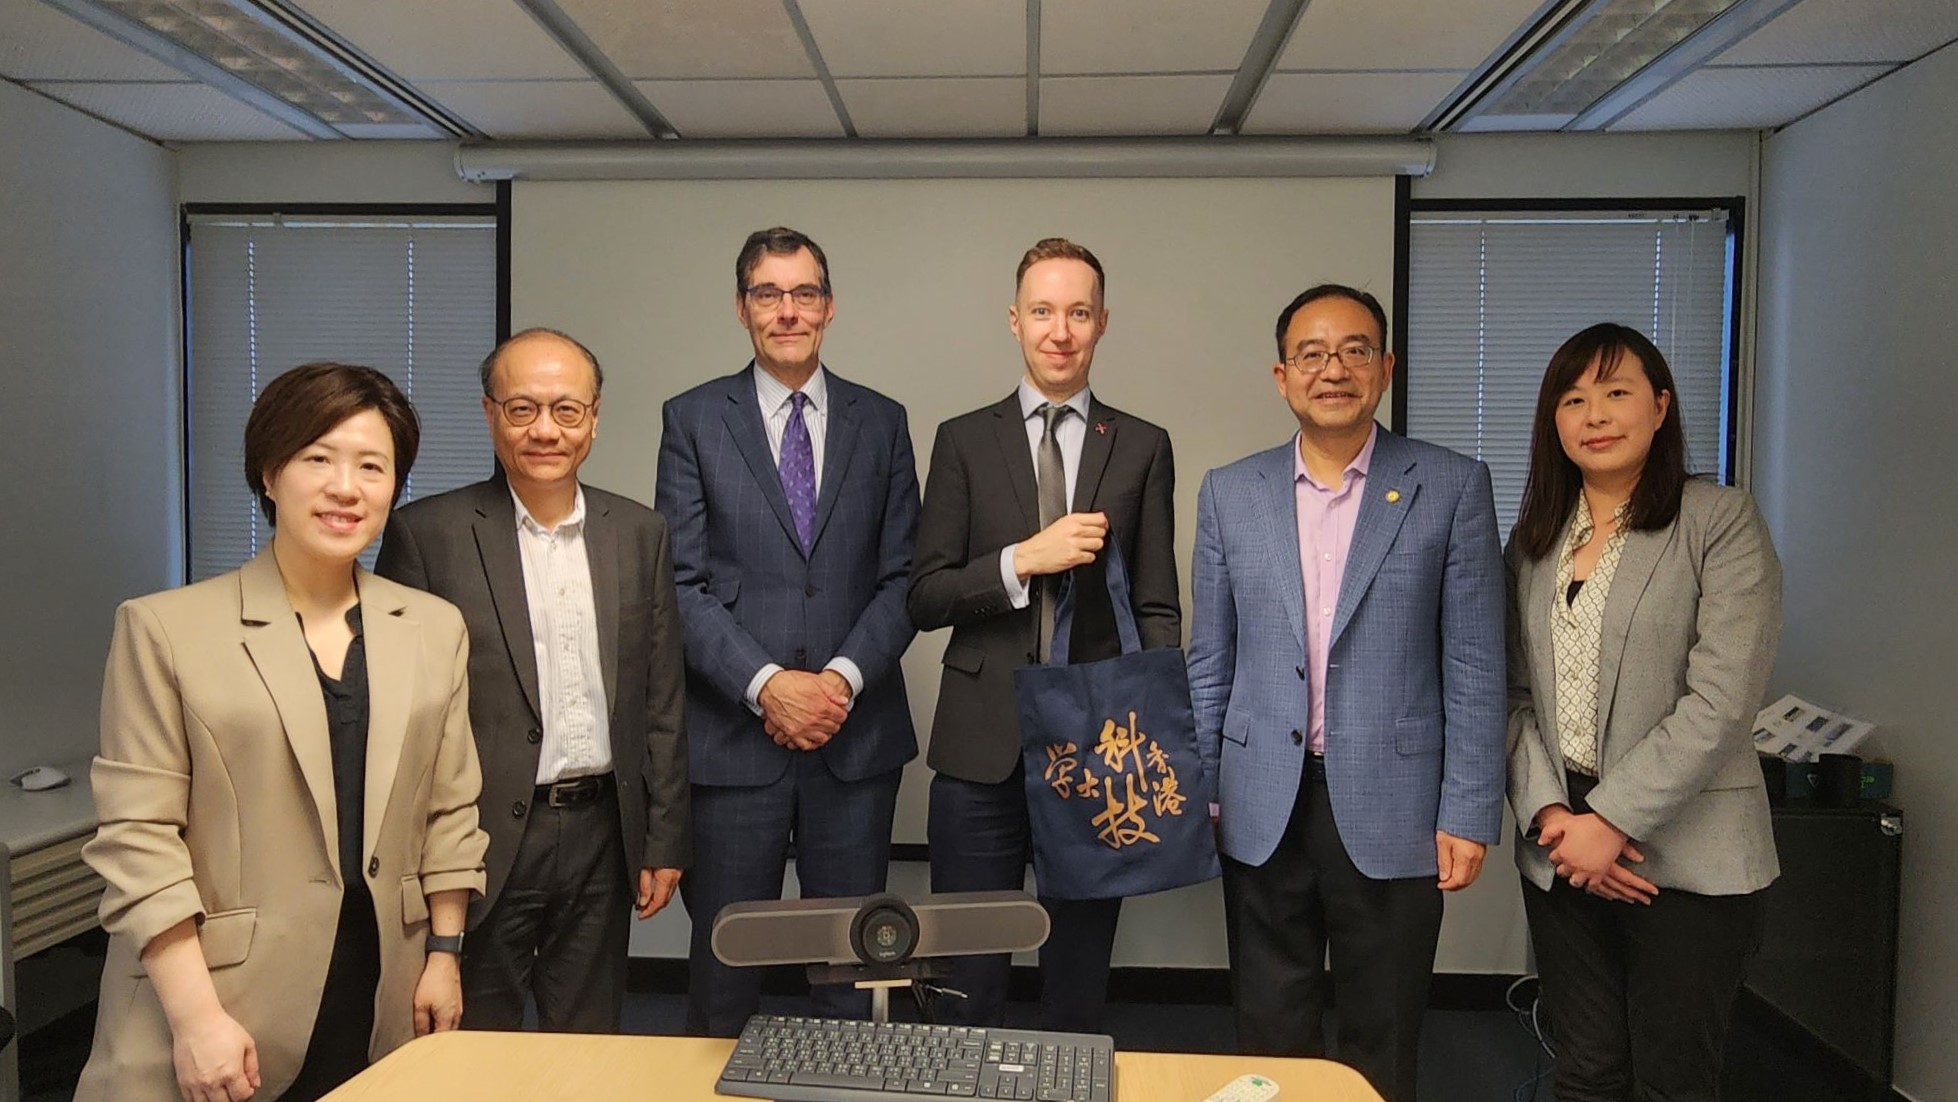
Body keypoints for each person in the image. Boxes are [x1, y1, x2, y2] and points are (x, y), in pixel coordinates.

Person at [77, 363, 489, 1102]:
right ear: (269, 473)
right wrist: (198, 1018)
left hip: (380, 991)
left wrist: (444, 953)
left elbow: (450, 810)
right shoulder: (165, 628)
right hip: (213, 1000)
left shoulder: (434, 628)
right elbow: (139, 839)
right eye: (317, 459)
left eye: (372, 466)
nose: (345, 487)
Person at [1186, 284, 1505, 1102]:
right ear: (1282, 375)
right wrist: (1203, 785)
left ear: (1386, 367)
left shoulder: (1452, 485)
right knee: (1270, 1026)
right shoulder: (1230, 491)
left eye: (1356, 350)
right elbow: (1211, 657)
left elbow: (1474, 661)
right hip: (1260, 801)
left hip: (1396, 802)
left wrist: (1467, 808)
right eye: (1313, 354)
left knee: (1385, 1026)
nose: (1335, 370)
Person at [375, 328, 690, 1033]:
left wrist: (664, 837)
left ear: (595, 418)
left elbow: (660, 697)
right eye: (522, 410)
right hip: (480, 837)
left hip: (603, 833)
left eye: (566, 411)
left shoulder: (639, 533)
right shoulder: (428, 537)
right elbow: (401, 719)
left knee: (588, 1036)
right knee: (473, 1039)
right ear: (490, 415)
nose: (545, 430)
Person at [908, 237, 1180, 1032]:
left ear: (1101, 324)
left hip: (1097, 748)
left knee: (1079, 973)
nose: (1059, 330)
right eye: (1042, 312)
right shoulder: (964, 439)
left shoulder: (1140, 445)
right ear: (1014, 321)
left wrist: (1156, 733)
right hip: (978, 747)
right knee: (967, 973)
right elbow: (925, 595)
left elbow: (1157, 605)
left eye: (1078, 312)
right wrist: (1021, 561)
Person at [1505, 323, 1781, 1101]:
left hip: (1686, 853)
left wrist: (1611, 822)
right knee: (1586, 1070)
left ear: (1660, 407)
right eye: (1573, 398)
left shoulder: (1717, 521)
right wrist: (1553, 817)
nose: (1595, 414)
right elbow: (1512, 694)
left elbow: (1723, 698)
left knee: (1672, 1080)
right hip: (1561, 848)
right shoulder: (1532, 543)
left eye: (1616, 393)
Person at [656, 226, 920, 1036]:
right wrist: (769, 686)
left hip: (853, 738)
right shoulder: (695, 419)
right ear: (742, 308)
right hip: (735, 748)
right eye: (768, 294)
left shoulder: (883, 421)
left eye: (804, 293)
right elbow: (681, 584)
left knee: (854, 961)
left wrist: (837, 680)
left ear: (829, 308)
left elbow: (905, 577)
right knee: (727, 964)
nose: (787, 311)